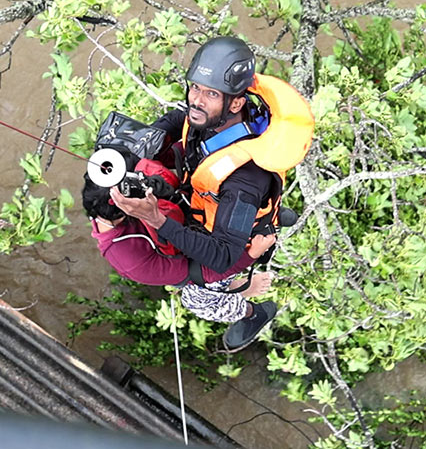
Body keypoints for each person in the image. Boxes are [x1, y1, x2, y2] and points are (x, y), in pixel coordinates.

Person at [110, 36, 315, 349]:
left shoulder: (244, 182)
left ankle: (252, 312)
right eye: (194, 87)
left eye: (210, 93)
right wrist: (149, 137)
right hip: (212, 199)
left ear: (236, 102)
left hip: (232, 230)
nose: (196, 100)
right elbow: (179, 118)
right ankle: (269, 213)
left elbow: (222, 257)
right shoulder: (207, 115)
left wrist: (157, 220)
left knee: (195, 298)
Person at [83, 165, 276, 325]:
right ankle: (249, 310)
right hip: (193, 256)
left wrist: (155, 185)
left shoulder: (121, 176)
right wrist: (250, 255)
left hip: (190, 211)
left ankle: (257, 206)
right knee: (195, 300)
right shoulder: (132, 262)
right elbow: (203, 272)